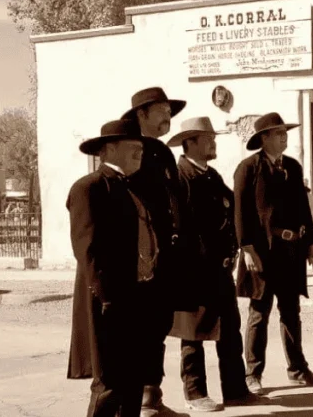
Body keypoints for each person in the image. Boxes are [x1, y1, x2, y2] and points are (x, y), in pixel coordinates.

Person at [166, 117, 259, 411]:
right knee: (192, 335)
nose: (213, 142)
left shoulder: (211, 175)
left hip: (220, 271)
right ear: (190, 142)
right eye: (207, 138)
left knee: (230, 331)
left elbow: (231, 212)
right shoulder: (179, 178)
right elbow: (182, 228)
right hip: (194, 272)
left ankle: (235, 389)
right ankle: (195, 394)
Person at [234, 112, 313, 395]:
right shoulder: (248, 168)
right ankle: (253, 373)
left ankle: (298, 369)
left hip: (291, 252)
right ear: (264, 139)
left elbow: (303, 208)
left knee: (291, 312)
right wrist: (247, 248)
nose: (284, 137)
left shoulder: (293, 167)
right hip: (262, 253)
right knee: (259, 313)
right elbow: (241, 213)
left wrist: (312, 244)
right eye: (278, 134)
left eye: (285, 133)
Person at [122, 87, 197, 417]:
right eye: (162, 110)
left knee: (157, 326)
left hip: (168, 254)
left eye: (169, 110)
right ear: (142, 115)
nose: (168, 116)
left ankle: (152, 397)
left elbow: (176, 202)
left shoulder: (164, 153)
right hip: (140, 256)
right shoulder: (129, 150)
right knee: (136, 329)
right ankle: (134, 399)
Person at [66, 119, 148, 417]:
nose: (141, 152)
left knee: (134, 376)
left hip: (136, 294)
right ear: (110, 149)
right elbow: (86, 249)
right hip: (107, 299)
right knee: (110, 381)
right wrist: (106, 297)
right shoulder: (89, 188)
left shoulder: (131, 187)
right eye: (134, 147)